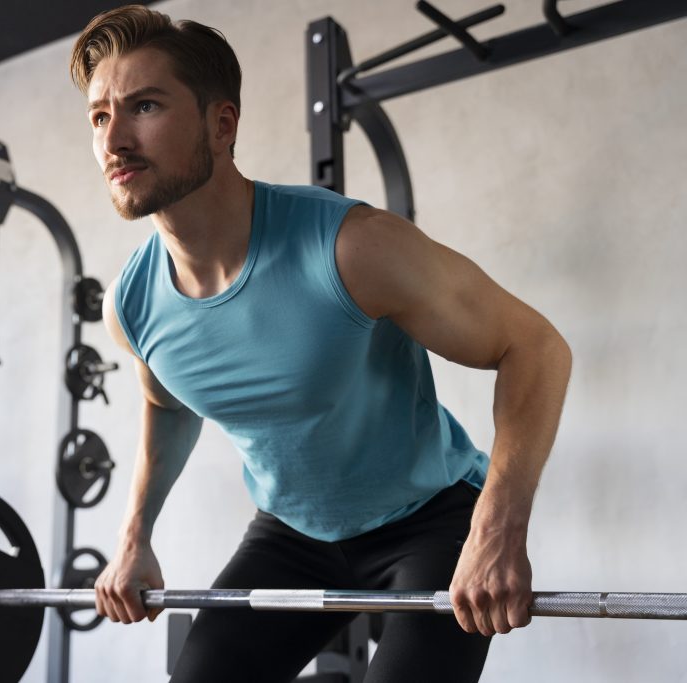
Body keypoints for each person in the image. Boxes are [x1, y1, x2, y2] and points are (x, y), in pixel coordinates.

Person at [69, 5, 572, 682]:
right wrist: (134, 537)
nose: (115, 139)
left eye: (144, 106)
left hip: (428, 520)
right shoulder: (132, 305)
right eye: (101, 116)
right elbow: (167, 403)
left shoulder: (350, 247)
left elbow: (533, 346)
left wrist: (498, 526)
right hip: (291, 533)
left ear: (222, 125)